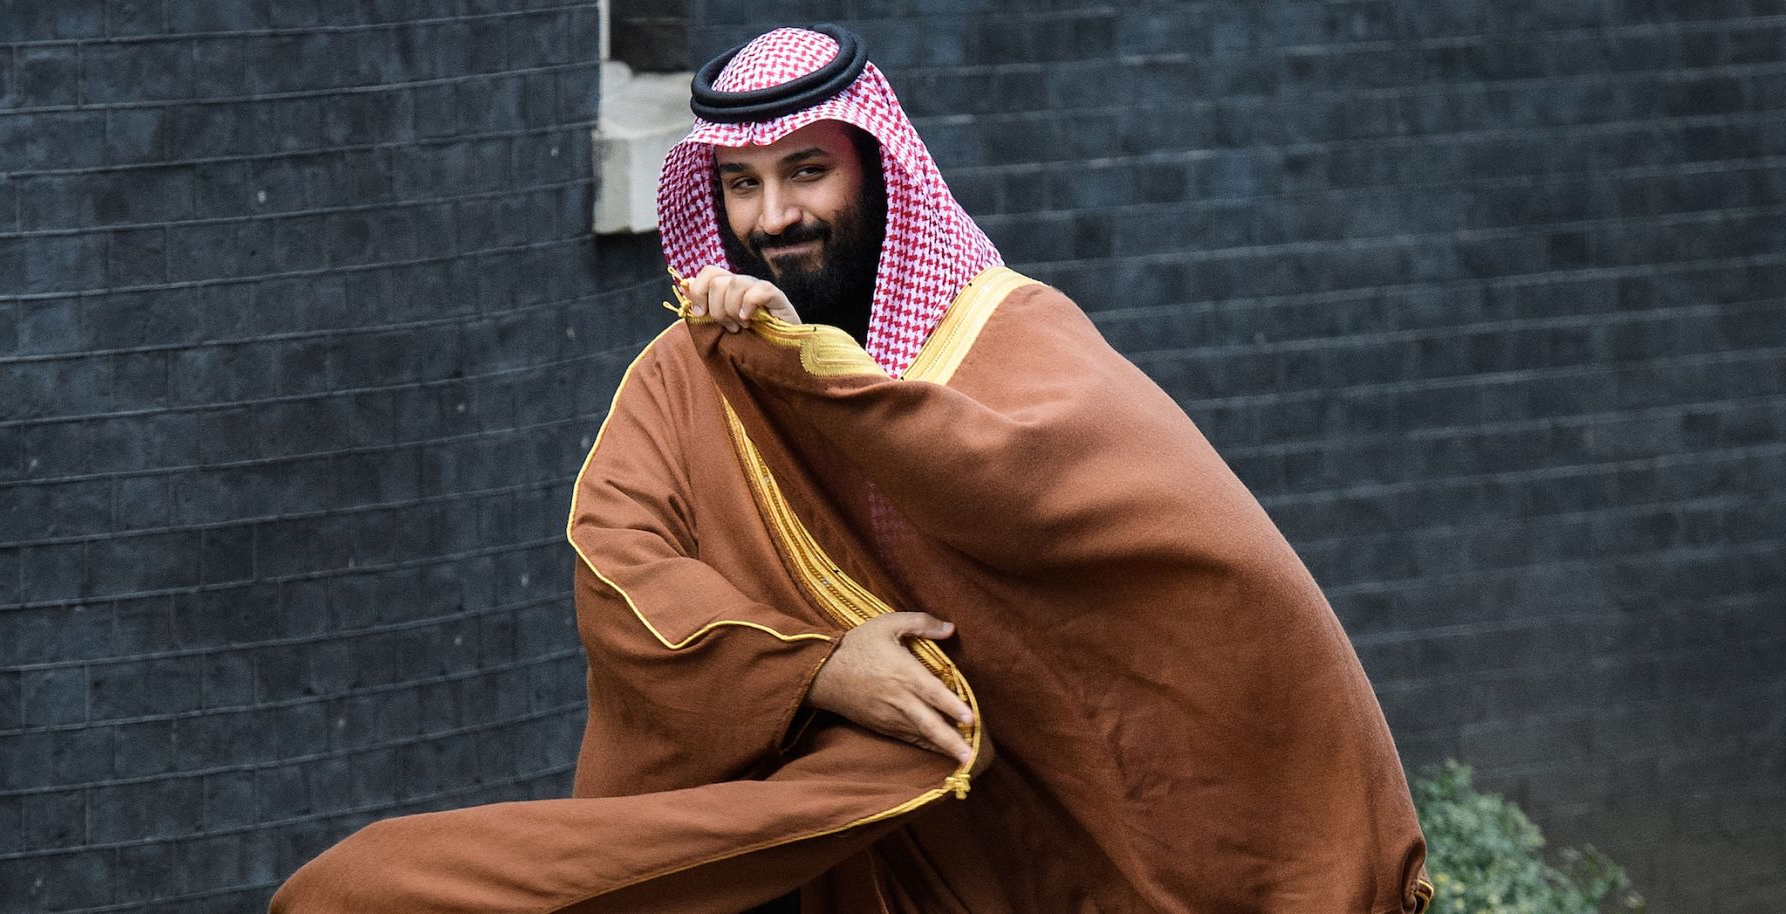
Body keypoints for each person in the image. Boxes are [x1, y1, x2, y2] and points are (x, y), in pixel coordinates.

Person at [270, 25, 1433, 913]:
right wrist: (819, 667)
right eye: (742, 183)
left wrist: (807, 362)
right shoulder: (691, 370)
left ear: (875, 168)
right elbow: (618, 554)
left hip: (1043, 831)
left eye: (806, 172)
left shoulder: (1010, 334)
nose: (774, 216)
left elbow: (1168, 550)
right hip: (844, 838)